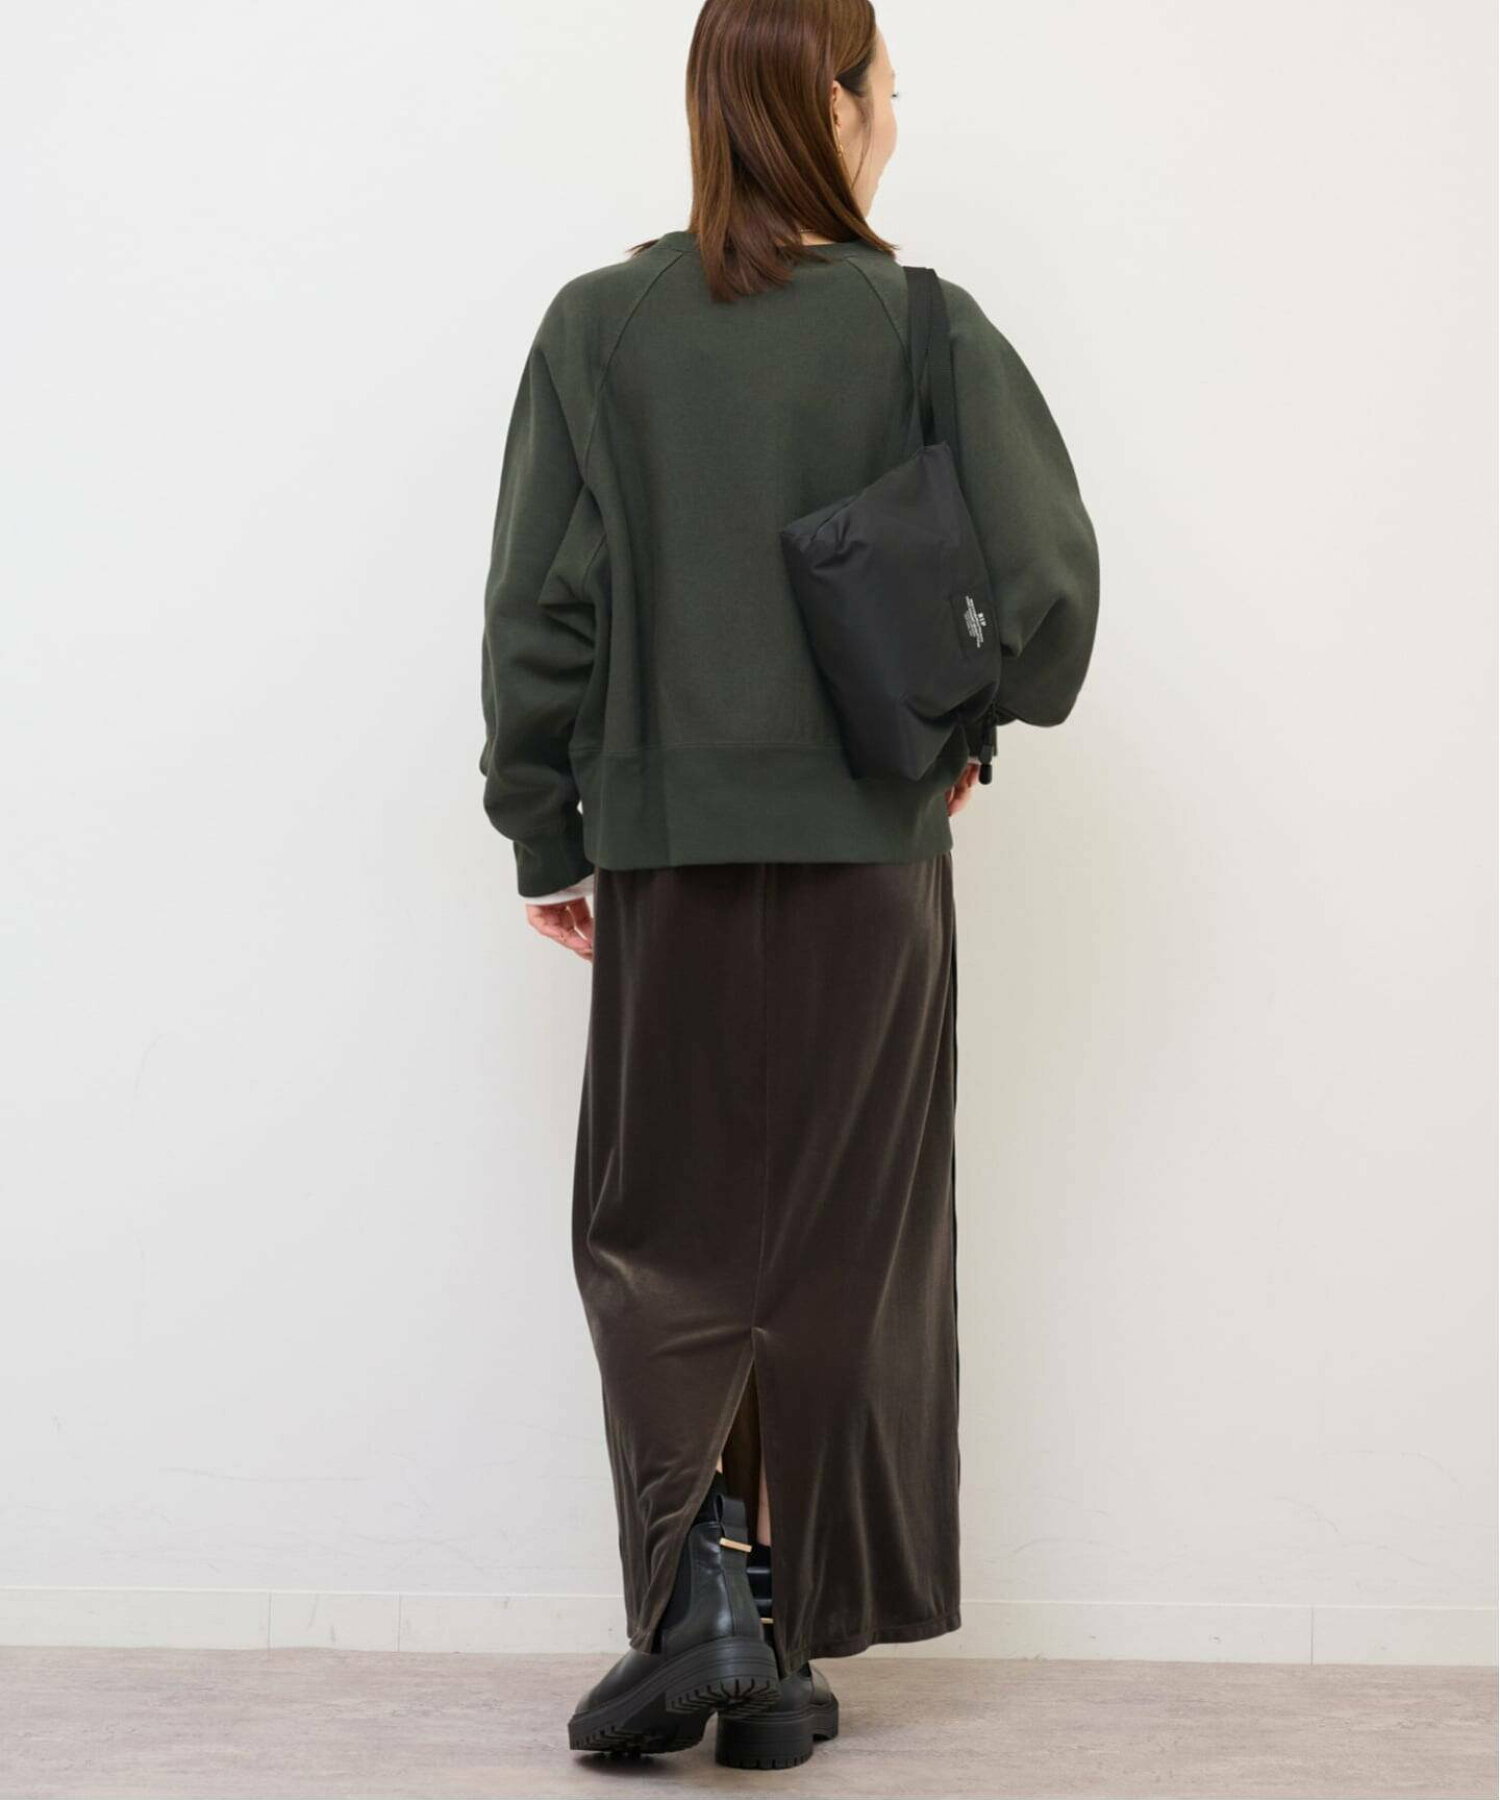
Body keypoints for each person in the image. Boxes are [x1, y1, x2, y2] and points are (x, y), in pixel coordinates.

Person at [477, 0, 1099, 1769]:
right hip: (870, 868)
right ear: (829, 109)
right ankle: (774, 1635)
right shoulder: (920, 326)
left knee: (660, 1232)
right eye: (884, 88)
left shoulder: (602, 325)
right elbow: (1047, 582)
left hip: (666, 852)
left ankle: (715, 1608)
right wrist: (966, 725)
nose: (894, 116)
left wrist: (545, 826)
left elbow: (543, 607)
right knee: (840, 1246)